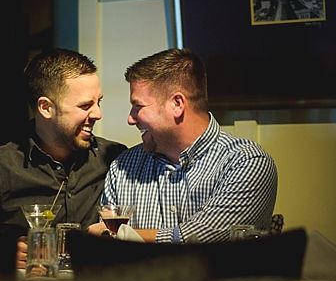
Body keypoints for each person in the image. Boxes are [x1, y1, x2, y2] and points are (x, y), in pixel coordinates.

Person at [0, 49, 126, 264]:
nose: (98, 114)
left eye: (99, 102)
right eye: (85, 106)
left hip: (96, 279)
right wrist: (0, 251)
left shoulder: (113, 158)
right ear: (45, 108)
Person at [91, 48, 277, 243]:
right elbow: (108, 250)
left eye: (138, 106)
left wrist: (123, 235)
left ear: (177, 104)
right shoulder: (123, 168)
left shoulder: (247, 162)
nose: (130, 119)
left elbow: (205, 238)